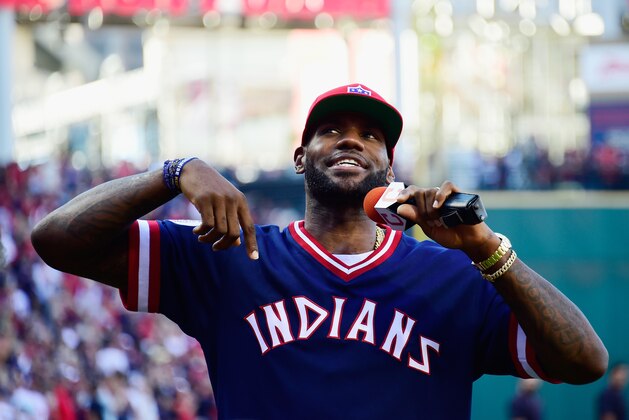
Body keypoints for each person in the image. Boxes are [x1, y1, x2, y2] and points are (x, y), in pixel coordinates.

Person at [31, 83, 608, 419]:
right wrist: (173, 172)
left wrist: (486, 248)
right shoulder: (229, 252)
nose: (352, 138)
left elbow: (586, 363)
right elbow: (56, 240)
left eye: (371, 134)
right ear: (301, 157)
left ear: (389, 167)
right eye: (331, 129)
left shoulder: (456, 277)